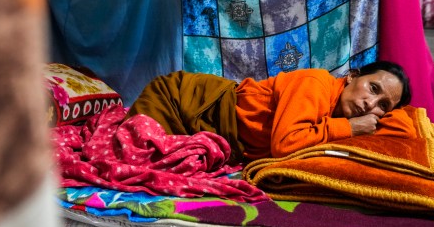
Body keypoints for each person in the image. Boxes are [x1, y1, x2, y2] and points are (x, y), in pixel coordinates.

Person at [128, 61, 411, 164]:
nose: (370, 104)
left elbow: (406, 127)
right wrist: (349, 129)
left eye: (383, 105)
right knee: (133, 153)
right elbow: (284, 144)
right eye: (373, 89)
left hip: (204, 127)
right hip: (179, 100)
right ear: (351, 76)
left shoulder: (341, 114)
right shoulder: (316, 83)